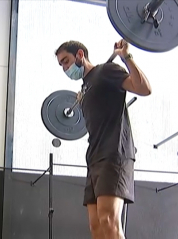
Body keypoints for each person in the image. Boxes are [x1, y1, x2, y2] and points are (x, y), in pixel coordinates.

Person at [55, 39, 151, 239]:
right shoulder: (85, 90)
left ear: (80, 54)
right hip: (94, 157)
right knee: (96, 226)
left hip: (114, 152)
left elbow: (144, 89)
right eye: (61, 65)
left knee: (108, 220)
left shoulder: (106, 71)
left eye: (66, 61)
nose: (65, 68)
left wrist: (126, 56)